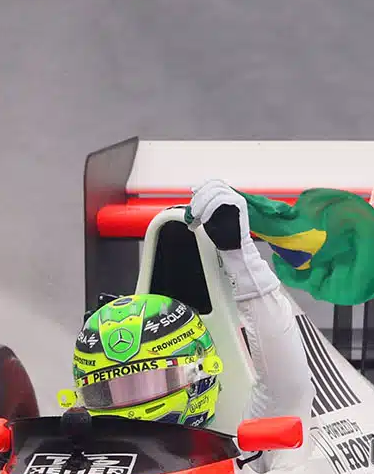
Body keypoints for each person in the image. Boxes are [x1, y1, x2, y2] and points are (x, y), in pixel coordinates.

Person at [64, 179, 315, 429]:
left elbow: (288, 392)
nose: (133, 409)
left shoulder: (248, 456)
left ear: (200, 372)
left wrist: (241, 258)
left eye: (151, 383)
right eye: (107, 393)